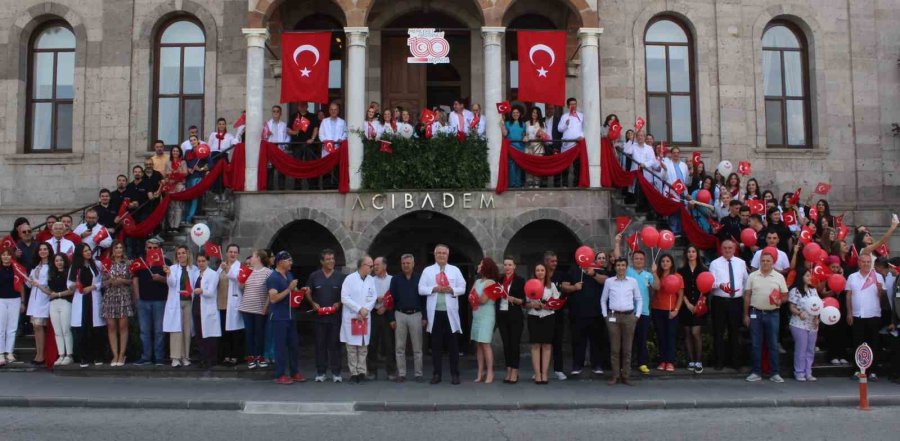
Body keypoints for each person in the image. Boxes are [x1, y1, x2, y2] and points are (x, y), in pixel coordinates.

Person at [418, 244, 466, 385]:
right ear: (434, 255)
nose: (441, 255)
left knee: (453, 346)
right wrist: (434, 288)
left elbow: (462, 288)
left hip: (450, 313)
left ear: (448, 255)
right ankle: (436, 374)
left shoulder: (455, 270)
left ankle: (455, 374)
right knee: (436, 346)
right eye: (438, 253)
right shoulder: (427, 271)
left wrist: (452, 290)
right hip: (435, 313)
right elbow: (421, 289)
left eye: (444, 253)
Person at [612, 237, 656, 374]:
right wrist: (617, 243)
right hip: (629, 312)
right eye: (636, 258)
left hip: (643, 312)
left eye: (641, 259)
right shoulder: (628, 271)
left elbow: (658, 286)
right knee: (626, 340)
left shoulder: (648, 274)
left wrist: (655, 272)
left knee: (642, 339)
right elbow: (618, 257)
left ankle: (642, 363)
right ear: (632, 260)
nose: (638, 260)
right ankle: (625, 365)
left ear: (644, 261)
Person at [743, 249, 788, 383]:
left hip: (773, 314)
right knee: (756, 344)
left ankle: (775, 373)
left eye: (768, 260)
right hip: (755, 313)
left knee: (773, 344)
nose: (765, 263)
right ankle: (756, 372)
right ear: (759, 261)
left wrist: (780, 300)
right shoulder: (752, 276)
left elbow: (785, 296)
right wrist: (745, 315)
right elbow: (747, 296)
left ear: (773, 262)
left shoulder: (779, 277)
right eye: (763, 260)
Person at [562, 251, 610, 377]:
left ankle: (597, 365)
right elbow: (564, 286)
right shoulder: (573, 270)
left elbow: (606, 281)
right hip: (577, 313)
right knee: (578, 341)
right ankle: (577, 365)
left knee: (596, 341)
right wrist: (574, 287)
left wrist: (593, 274)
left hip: (596, 313)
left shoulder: (598, 269)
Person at [601, 257, 643, 386]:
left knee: (627, 349)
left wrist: (637, 315)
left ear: (626, 267)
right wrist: (605, 315)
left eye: (623, 265)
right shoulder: (609, 282)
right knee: (615, 349)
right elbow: (603, 299)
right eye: (618, 265)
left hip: (629, 317)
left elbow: (639, 299)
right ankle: (615, 375)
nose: (620, 267)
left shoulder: (632, 281)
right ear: (615, 267)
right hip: (613, 317)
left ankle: (626, 376)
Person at [306, 248, 345, 382]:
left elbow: (346, 294)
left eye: (333, 259)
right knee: (320, 345)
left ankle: (336, 373)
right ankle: (321, 372)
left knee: (335, 345)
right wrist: (313, 303)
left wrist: (339, 303)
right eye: (328, 259)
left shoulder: (340, 276)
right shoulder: (314, 276)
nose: (331, 261)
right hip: (319, 318)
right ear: (322, 261)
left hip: (335, 318)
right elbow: (307, 292)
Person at [710, 240, 749, 370]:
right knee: (719, 332)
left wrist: (742, 296)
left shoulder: (741, 263)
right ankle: (719, 362)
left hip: (736, 302)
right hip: (720, 301)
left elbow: (745, 281)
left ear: (734, 249)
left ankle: (735, 362)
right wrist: (719, 285)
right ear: (721, 249)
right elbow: (710, 283)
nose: (727, 250)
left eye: (730, 248)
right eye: (725, 248)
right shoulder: (715, 263)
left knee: (735, 332)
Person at [846, 253, 886, 380]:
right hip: (858, 315)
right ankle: (858, 370)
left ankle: (872, 371)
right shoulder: (852, 277)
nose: (866, 264)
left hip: (873, 315)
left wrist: (880, 290)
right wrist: (849, 312)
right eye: (864, 262)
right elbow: (848, 296)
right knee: (857, 343)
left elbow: (882, 299)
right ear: (859, 263)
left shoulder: (878, 276)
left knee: (873, 343)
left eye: (869, 262)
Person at [266, 251, 302, 384]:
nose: (291, 263)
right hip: (279, 317)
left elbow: (294, 291)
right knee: (280, 347)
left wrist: (301, 291)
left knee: (294, 345)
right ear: (281, 262)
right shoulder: (273, 278)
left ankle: (294, 372)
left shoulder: (289, 274)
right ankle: (280, 374)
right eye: (289, 260)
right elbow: (273, 298)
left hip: (291, 315)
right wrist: (289, 289)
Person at [389, 253, 425, 382]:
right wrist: (391, 318)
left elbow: (424, 299)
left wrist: (424, 317)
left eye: (408, 263)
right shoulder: (395, 280)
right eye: (403, 263)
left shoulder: (420, 278)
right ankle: (402, 373)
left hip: (416, 314)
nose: (405, 265)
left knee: (417, 347)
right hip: (400, 314)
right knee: (399, 347)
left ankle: (418, 374)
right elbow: (390, 300)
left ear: (413, 264)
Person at [341, 255, 377, 384]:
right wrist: (358, 309)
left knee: (363, 346)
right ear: (363, 266)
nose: (372, 268)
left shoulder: (371, 280)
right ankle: (353, 372)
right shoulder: (349, 279)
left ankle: (362, 371)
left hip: (365, 316)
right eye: (370, 266)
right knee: (351, 347)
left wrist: (366, 309)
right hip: (353, 316)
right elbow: (344, 297)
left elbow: (373, 297)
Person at [133, 239, 169, 365]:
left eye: (155, 248)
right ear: (145, 248)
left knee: (159, 331)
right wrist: (137, 298)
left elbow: (172, 281)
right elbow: (135, 280)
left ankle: (159, 357)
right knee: (144, 331)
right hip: (143, 301)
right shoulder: (140, 262)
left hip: (160, 300)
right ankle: (146, 357)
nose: (152, 250)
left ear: (159, 249)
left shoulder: (165, 262)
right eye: (149, 247)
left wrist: (161, 278)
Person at [68, 243, 104, 367]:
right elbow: (69, 283)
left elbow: (102, 281)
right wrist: (74, 285)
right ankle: (84, 357)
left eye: (89, 250)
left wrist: (93, 287)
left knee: (96, 329)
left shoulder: (97, 264)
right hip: (81, 298)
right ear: (80, 253)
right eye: (85, 251)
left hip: (93, 297)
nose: (88, 252)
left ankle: (97, 356)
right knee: (82, 329)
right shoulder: (75, 267)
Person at [163, 245, 198, 367]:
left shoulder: (193, 269)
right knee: (176, 330)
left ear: (187, 254)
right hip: (176, 302)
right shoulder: (172, 268)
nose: (181, 255)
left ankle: (185, 356)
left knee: (187, 330)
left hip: (188, 302)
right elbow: (171, 284)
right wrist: (168, 274)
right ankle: (175, 357)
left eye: (183, 253)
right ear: (176, 256)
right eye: (179, 253)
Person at [526, 263, 560, 385]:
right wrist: (532, 305)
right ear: (534, 272)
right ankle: (537, 374)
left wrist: (548, 305)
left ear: (546, 272)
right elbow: (525, 303)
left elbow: (557, 301)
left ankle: (545, 373)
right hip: (533, 317)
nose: (540, 272)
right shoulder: (529, 285)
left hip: (548, 317)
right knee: (535, 345)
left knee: (547, 345)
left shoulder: (551, 286)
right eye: (537, 270)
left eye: (542, 270)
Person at [100, 241, 133, 366]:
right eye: (116, 248)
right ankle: (114, 354)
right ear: (112, 250)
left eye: (120, 248)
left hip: (124, 296)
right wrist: (110, 281)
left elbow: (132, 280)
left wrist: (122, 280)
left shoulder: (129, 263)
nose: (118, 250)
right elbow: (102, 283)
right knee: (111, 326)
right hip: (110, 297)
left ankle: (122, 354)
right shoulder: (107, 264)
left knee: (123, 326)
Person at [238, 250, 273, 369]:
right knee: (249, 333)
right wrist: (242, 277)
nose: (251, 259)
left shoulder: (268, 272)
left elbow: (270, 292)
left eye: (253, 256)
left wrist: (265, 307)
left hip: (260, 308)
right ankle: (251, 357)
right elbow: (241, 287)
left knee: (260, 333)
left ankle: (260, 356)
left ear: (258, 258)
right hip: (247, 307)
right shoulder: (248, 271)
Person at [678, 245, 708, 373]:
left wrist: (698, 304)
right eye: (689, 251)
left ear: (697, 253)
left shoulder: (703, 269)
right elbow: (680, 289)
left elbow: (706, 287)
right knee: (687, 333)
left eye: (693, 251)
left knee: (696, 332)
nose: (691, 254)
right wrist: (688, 303)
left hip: (699, 305)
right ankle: (691, 360)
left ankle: (698, 361)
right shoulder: (681, 270)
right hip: (686, 305)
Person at [366, 256, 397, 381]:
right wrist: (375, 301)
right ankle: (372, 371)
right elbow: (365, 297)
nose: (375, 267)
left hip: (387, 314)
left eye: (377, 265)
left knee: (389, 343)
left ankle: (391, 371)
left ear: (384, 266)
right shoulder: (370, 280)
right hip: (373, 313)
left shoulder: (392, 280)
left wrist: (385, 306)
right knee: (372, 343)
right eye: (374, 265)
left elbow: (395, 296)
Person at [652, 253, 684, 372]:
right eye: (663, 261)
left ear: (671, 263)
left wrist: (676, 310)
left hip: (671, 311)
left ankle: (670, 361)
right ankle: (662, 361)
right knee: (661, 336)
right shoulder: (657, 275)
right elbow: (657, 287)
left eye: (667, 261)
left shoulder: (678, 276)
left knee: (670, 336)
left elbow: (680, 296)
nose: (665, 263)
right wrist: (654, 273)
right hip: (657, 309)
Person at [471, 257, 500, 384]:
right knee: (479, 344)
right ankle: (480, 372)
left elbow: (483, 300)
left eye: (480, 264)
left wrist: (474, 297)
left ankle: (490, 373)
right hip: (477, 314)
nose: (478, 265)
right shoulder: (477, 282)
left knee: (486, 343)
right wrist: (474, 297)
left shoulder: (491, 282)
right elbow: (470, 296)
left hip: (487, 314)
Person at [497, 256, 525, 383]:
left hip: (515, 316)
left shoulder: (520, 280)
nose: (507, 267)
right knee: (506, 344)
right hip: (502, 315)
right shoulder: (500, 280)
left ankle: (515, 370)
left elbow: (524, 301)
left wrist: (514, 299)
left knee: (514, 344)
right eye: (505, 265)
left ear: (514, 266)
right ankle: (508, 369)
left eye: (510, 265)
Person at [788, 267, 819, 381]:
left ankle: (808, 372)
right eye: (807, 275)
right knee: (801, 348)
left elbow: (817, 305)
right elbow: (792, 307)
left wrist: (816, 318)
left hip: (812, 323)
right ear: (801, 277)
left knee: (810, 349)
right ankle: (799, 372)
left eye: (809, 275)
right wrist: (799, 313)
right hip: (799, 323)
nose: (809, 277)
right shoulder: (795, 290)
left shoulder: (813, 290)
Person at [25, 243, 52, 365]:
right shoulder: (36, 266)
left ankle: (42, 355)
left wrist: (38, 284)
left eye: (45, 249)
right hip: (34, 299)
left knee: (40, 326)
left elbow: (49, 283)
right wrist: (28, 281)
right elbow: (29, 284)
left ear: (49, 251)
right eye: (40, 249)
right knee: (36, 327)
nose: (42, 251)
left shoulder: (51, 266)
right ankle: (38, 353)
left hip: (44, 298)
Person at [44, 253, 73, 365]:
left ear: (64, 261)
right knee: (57, 331)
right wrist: (38, 285)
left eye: (61, 260)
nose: (59, 263)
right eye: (56, 261)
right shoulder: (51, 274)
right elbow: (49, 291)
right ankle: (61, 354)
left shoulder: (69, 274)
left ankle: (69, 355)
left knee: (66, 329)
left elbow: (71, 290)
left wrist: (58, 294)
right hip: (53, 304)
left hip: (65, 302)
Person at [543, 251, 568, 380]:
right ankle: (541, 370)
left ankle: (558, 369)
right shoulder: (541, 274)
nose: (555, 263)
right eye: (552, 261)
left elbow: (564, 289)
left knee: (557, 342)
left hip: (557, 312)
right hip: (543, 313)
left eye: (556, 261)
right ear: (546, 262)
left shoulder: (560, 275)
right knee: (543, 342)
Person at [218, 244, 244, 365]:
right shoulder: (221, 266)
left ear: (237, 254)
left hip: (234, 303)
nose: (232, 254)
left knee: (235, 331)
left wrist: (228, 270)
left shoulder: (240, 267)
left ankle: (235, 355)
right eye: (230, 252)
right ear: (226, 253)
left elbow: (239, 281)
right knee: (224, 331)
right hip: (222, 303)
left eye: (235, 252)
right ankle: (226, 355)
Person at [0, 248, 25, 366]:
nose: (6, 257)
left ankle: (9, 352)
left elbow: (21, 286)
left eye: (8, 255)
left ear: (12, 257)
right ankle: (0, 353)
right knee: (1, 328)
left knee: (12, 327)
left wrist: (23, 302)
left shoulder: (16, 269)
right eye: (3, 255)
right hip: (1, 300)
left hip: (15, 299)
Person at [661, 146, 690, 235]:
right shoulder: (667, 164)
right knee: (674, 211)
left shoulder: (684, 165)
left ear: (679, 154)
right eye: (674, 153)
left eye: (677, 153)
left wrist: (686, 193)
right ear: (671, 154)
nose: (676, 154)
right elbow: (663, 177)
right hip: (672, 191)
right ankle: (674, 232)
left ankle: (681, 231)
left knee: (682, 211)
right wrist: (665, 170)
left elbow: (686, 181)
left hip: (682, 191)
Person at [183, 135, 209, 225]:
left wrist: (201, 169)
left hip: (198, 177)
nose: (193, 141)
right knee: (187, 198)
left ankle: (189, 218)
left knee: (194, 198)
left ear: (198, 141)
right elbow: (183, 163)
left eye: (194, 140)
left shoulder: (203, 151)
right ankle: (186, 216)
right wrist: (187, 169)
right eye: (191, 140)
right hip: (189, 177)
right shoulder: (187, 152)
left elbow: (210, 164)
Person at [164, 145, 188, 232]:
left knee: (178, 206)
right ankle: (170, 225)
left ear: (180, 153)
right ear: (171, 152)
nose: (175, 152)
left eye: (177, 151)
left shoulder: (183, 162)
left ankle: (176, 226)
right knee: (171, 207)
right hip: (170, 186)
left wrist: (177, 174)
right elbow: (166, 174)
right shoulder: (168, 163)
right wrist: (169, 178)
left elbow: (185, 173)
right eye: (174, 151)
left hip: (179, 185)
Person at [501, 106, 526, 188]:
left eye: (517, 113)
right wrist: (502, 124)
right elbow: (505, 134)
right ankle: (512, 184)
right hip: (511, 148)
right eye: (514, 113)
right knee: (511, 166)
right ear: (511, 114)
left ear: (520, 114)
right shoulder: (508, 123)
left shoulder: (523, 124)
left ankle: (518, 184)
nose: (515, 114)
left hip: (520, 148)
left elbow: (524, 135)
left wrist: (525, 137)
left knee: (519, 166)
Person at [523, 107, 547, 188]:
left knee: (537, 166)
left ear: (538, 114)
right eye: (533, 112)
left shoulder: (542, 123)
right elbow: (525, 134)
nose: (534, 114)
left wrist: (541, 136)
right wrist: (525, 137)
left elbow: (545, 136)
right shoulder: (526, 123)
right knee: (529, 165)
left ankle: (537, 182)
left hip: (538, 147)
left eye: (536, 113)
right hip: (528, 147)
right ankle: (530, 182)